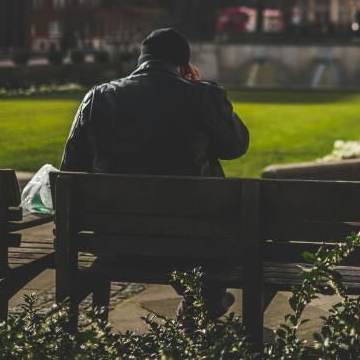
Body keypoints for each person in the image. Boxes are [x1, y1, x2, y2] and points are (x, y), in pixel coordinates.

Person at [60, 27, 250, 315]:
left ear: (141, 60)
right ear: (184, 66)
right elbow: (235, 147)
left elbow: (70, 170)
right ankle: (204, 299)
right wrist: (199, 91)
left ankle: (203, 300)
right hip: (194, 243)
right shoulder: (203, 96)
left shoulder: (97, 97)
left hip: (115, 239)